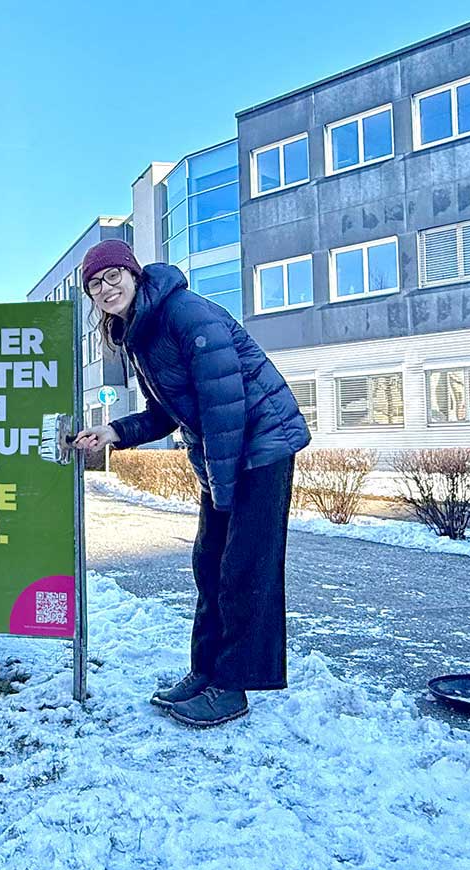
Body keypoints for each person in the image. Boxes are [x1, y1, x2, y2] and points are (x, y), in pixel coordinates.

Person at [71, 240, 310, 728]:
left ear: (134, 274)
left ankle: (232, 687)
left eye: (113, 276)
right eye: (95, 284)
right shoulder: (138, 332)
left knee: (245, 568)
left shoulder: (184, 313)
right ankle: (205, 672)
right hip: (227, 452)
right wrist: (114, 432)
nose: (106, 288)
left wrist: (221, 484)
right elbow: (166, 413)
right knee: (209, 563)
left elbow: (224, 406)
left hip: (261, 445)